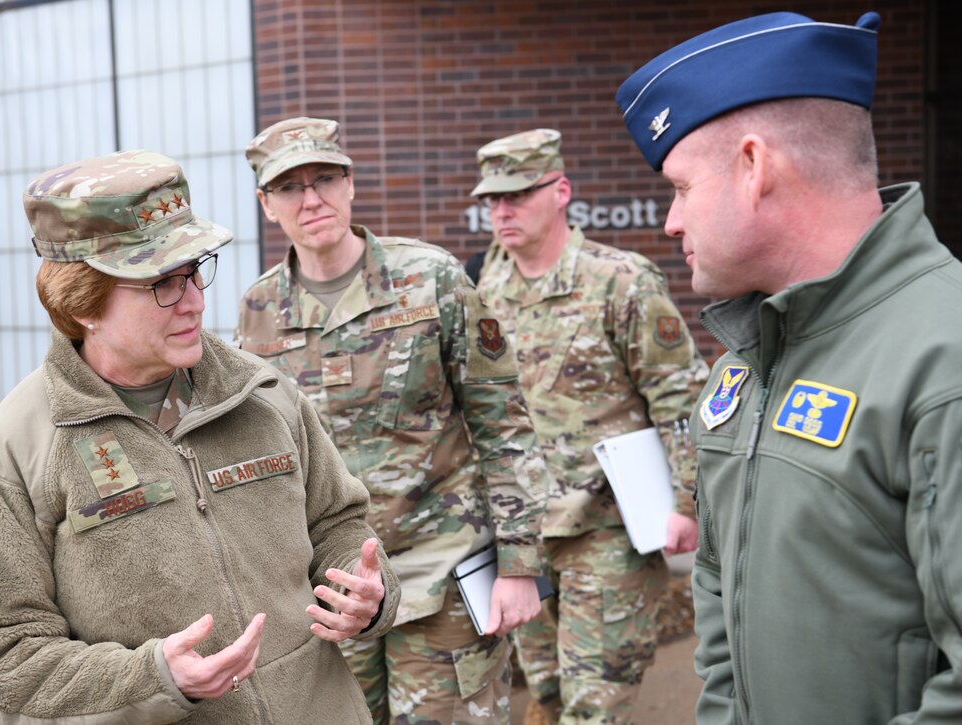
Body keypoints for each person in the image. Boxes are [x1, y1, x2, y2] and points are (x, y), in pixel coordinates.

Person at [0, 149, 400, 724]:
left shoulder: (263, 394)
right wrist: (152, 680)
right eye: (162, 283)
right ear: (82, 304)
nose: (195, 301)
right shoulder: (16, 449)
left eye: (195, 271)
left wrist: (361, 593)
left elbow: (336, 525)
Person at [617, 11, 962, 724]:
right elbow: (717, 600)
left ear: (754, 166)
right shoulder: (746, 357)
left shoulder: (941, 356)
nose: (670, 222)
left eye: (680, 186)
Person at [236, 117, 549, 724]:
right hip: (334, 590)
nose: (311, 199)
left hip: (444, 573)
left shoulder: (430, 279)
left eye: (324, 178)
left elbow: (502, 423)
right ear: (266, 205)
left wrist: (519, 562)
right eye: (289, 187)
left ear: (350, 184)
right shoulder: (258, 310)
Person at [469, 128, 709, 723]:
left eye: (520, 194)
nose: (503, 210)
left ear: (561, 192)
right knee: (544, 697)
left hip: (607, 530)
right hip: (522, 539)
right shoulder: (484, 288)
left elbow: (678, 396)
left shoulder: (620, 280)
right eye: (493, 199)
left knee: (594, 707)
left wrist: (688, 500)